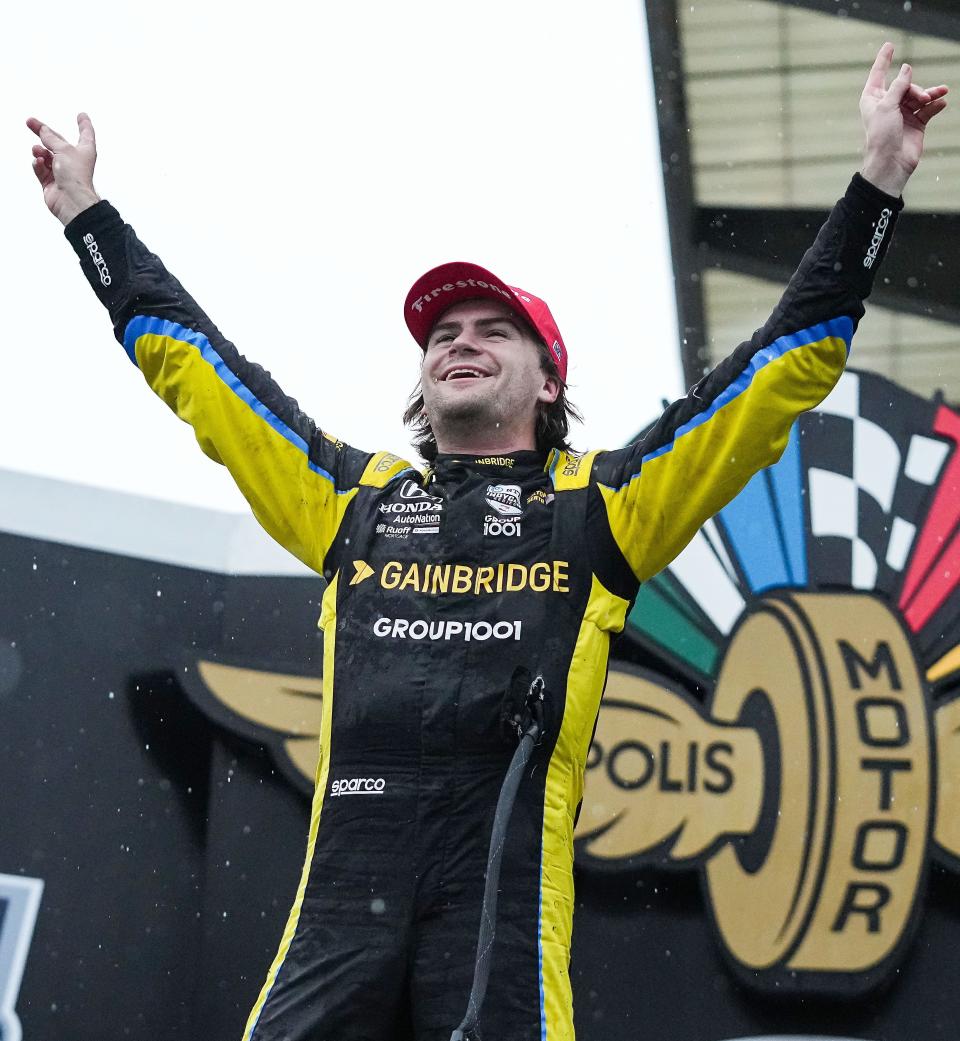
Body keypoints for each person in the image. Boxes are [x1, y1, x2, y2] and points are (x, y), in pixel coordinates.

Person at [26, 43, 947, 1041]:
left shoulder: (608, 505)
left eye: (490, 329)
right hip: (340, 909)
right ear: (422, 382)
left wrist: (880, 179)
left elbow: (779, 370)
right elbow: (201, 373)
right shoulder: (351, 500)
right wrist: (90, 222)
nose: (458, 341)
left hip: (500, 922)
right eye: (441, 334)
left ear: (549, 380)